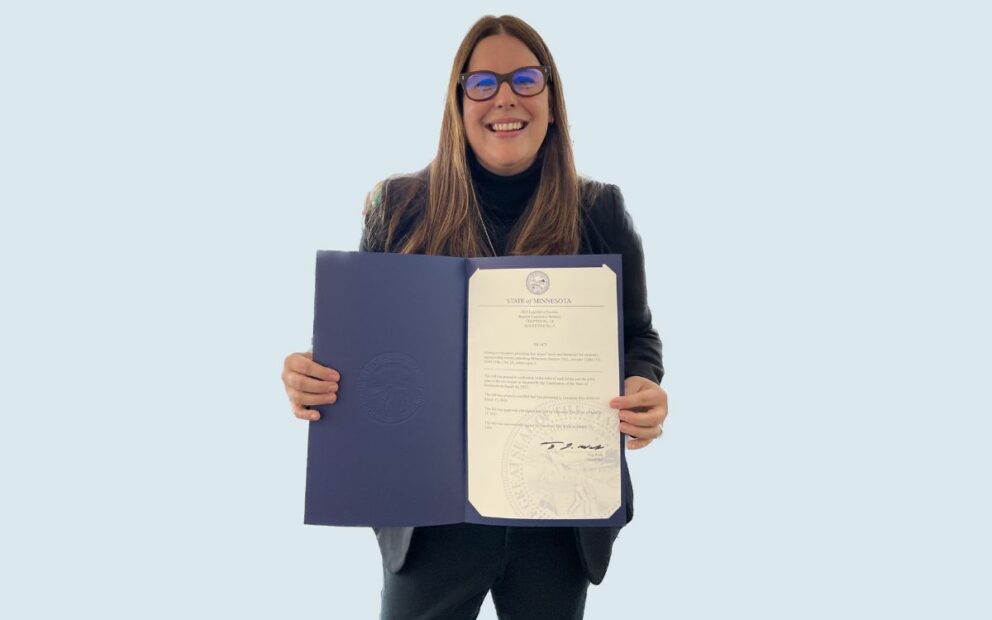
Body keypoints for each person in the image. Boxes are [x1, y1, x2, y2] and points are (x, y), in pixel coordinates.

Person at [281, 15, 668, 620]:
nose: (506, 97)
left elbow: (638, 336)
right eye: (483, 83)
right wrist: (311, 375)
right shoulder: (399, 207)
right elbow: (362, 345)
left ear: (553, 100)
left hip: (557, 517)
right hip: (428, 519)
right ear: (458, 103)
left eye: (526, 78)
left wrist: (644, 386)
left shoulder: (600, 209)